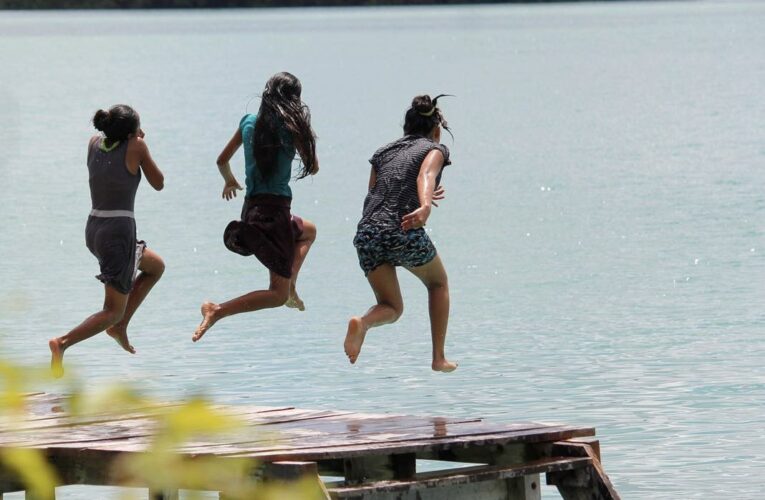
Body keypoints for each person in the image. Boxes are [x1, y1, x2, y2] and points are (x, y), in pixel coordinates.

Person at [193, 72, 319, 342]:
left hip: (252, 211)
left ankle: (291, 283)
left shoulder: (249, 122)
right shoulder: (293, 129)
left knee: (308, 230)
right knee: (276, 295)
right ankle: (217, 310)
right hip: (275, 213)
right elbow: (314, 167)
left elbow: (221, 161)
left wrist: (230, 181)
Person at [49, 105, 165, 378]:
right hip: (118, 232)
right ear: (132, 133)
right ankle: (62, 343)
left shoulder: (93, 143)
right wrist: (140, 144)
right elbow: (158, 182)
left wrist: (133, 137)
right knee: (112, 310)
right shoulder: (136, 147)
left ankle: (120, 327)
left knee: (156, 266)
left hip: (95, 227)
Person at [344, 94, 458, 372]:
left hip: (367, 233)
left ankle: (364, 322)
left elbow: (378, 191)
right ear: (436, 130)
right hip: (401, 229)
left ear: (405, 128)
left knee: (391, 307)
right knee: (438, 284)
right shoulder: (435, 149)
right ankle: (438, 357)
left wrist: (422, 196)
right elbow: (425, 176)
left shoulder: (382, 153)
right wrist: (426, 205)